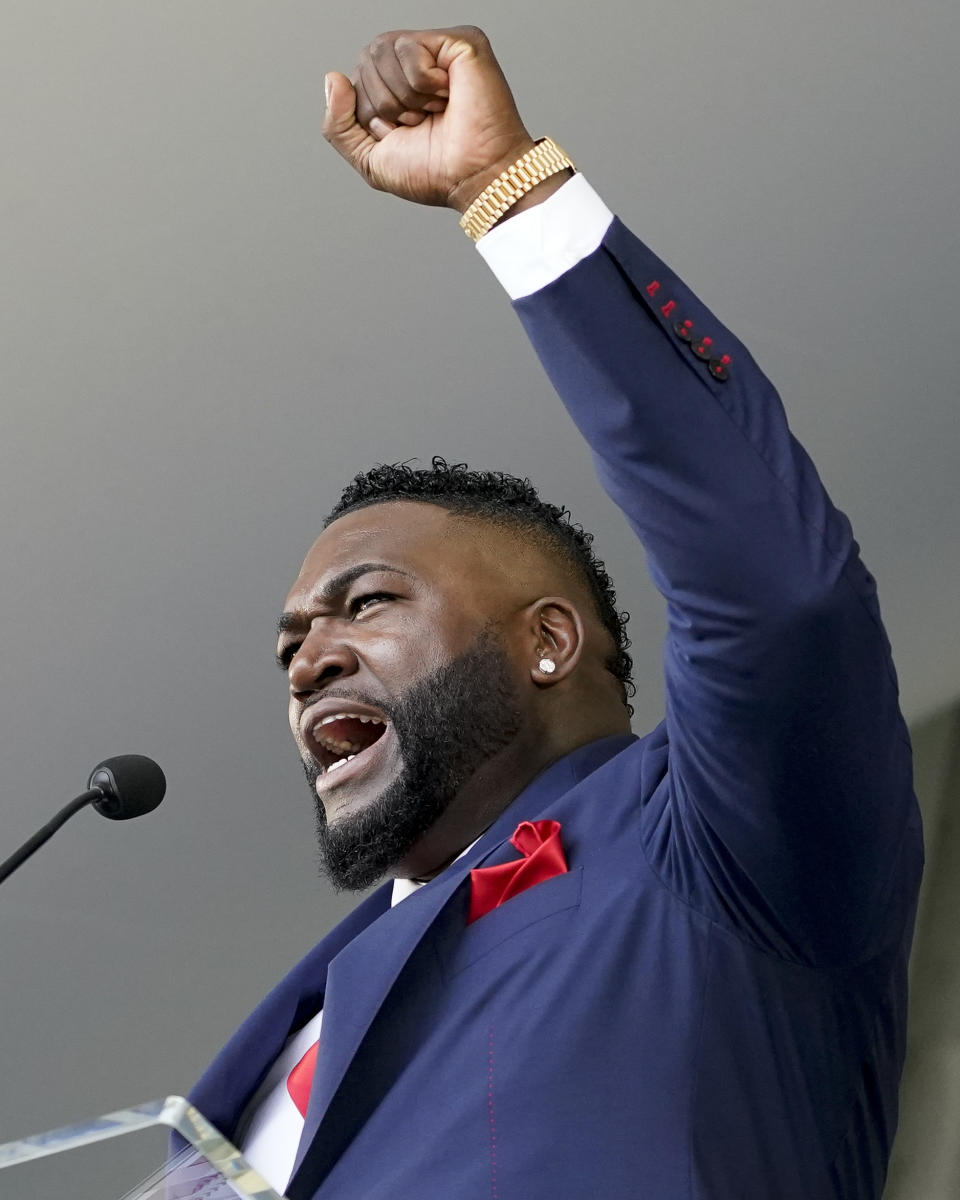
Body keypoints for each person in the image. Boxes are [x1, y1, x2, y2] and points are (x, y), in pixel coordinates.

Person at [188, 26, 923, 1200]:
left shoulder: (711, 844)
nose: (309, 659)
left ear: (548, 639)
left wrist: (504, 190)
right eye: (290, 646)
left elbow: (780, 598)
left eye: (364, 603)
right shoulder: (261, 1068)